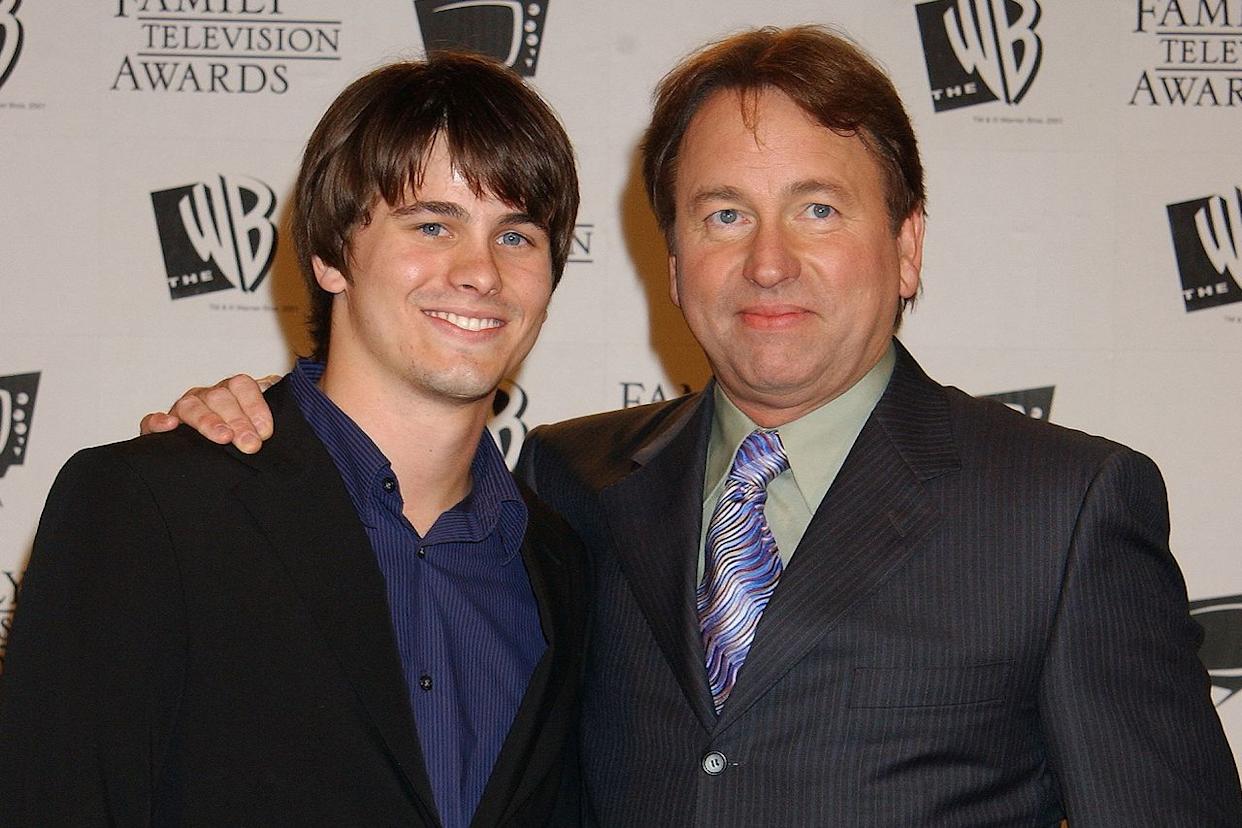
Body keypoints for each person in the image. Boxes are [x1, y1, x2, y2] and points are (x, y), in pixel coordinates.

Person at [137, 26, 1242, 826]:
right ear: (671, 263)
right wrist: (248, 443)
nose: (769, 261)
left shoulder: (1062, 510)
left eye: (819, 208)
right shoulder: (566, 484)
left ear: (906, 245)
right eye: (724, 215)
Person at [0, 53, 587, 827]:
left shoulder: (564, 569)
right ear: (331, 254)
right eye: (433, 224)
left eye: (516, 235)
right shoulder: (151, 508)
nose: (480, 271)